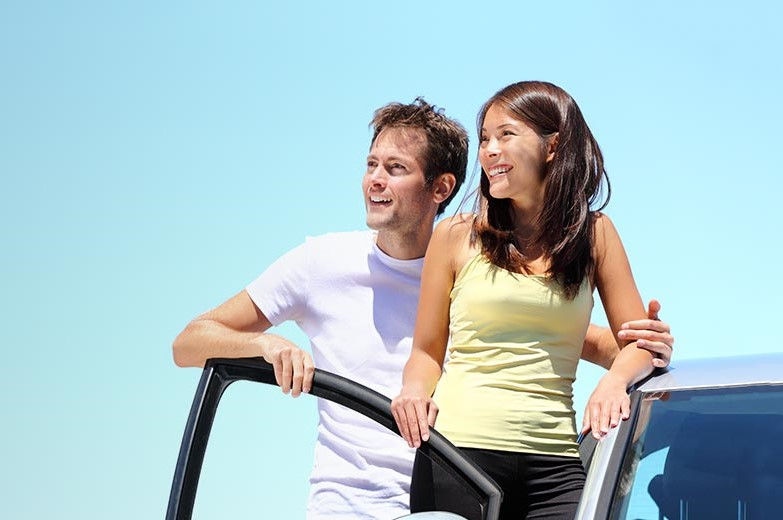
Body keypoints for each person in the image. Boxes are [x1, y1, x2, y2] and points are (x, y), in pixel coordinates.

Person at [173, 98, 674, 520]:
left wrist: (649, 346)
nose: (375, 181)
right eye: (371, 165)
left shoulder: (479, 275)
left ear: (441, 188)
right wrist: (262, 343)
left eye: (395, 169)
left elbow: (569, 341)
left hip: (459, 476)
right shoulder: (318, 263)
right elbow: (190, 341)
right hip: (350, 505)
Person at [391, 81, 662, 520]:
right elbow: (426, 352)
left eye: (505, 135)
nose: (489, 150)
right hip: (459, 457)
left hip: (555, 464)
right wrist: (413, 391)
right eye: (484, 139)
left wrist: (614, 381)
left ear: (552, 146)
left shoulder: (596, 236)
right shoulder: (456, 236)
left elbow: (638, 343)